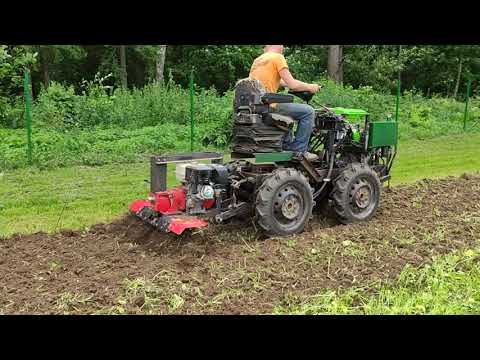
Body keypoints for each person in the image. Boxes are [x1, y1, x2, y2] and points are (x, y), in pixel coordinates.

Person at [249, 45, 321, 161]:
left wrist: (302, 84)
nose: (283, 48)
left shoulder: (258, 60)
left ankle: (286, 144)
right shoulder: (278, 57)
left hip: (256, 105)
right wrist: (311, 87)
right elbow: (293, 84)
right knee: (308, 111)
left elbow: (282, 81)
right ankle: (300, 150)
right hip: (268, 105)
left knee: (289, 108)